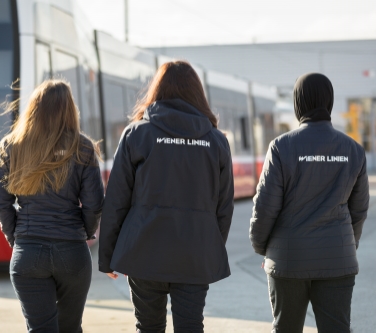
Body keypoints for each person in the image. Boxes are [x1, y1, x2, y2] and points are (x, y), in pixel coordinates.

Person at [99, 61, 234, 333]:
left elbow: (116, 200)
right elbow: (224, 206)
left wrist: (108, 257)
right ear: (197, 92)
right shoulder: (216, 141)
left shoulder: (137, 135)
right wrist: (209, 248)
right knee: (191, 327)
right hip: (195, 255)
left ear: (157, 90)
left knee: (147, 327)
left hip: (143, 252)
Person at [250, 73, 369, 333]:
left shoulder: (281, 147)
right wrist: (346, 245)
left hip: (288, 260)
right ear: (329, 101)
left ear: (298, 103)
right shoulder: (353, 150)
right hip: (337, 260)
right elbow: (359, 211)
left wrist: (263, 247)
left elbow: (265, 208)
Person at [0, 79, 104, 333]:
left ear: (34, 108)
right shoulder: (83, 147)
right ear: (70, 109)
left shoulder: (13, 145)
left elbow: (0, 201)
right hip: (72, 253)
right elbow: (95, 203)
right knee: (71, 328)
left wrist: (18, 237)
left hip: (28, 253)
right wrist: (83, 233)